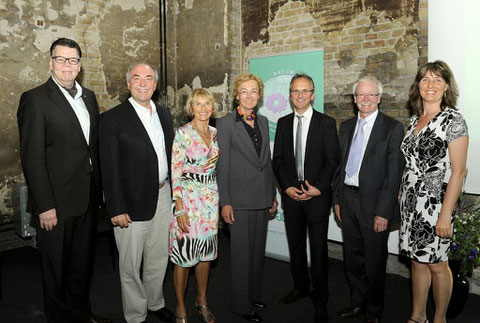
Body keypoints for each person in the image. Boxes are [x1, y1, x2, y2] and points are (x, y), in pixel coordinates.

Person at [17, 38, 111, 323]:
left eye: (72, 60)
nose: (67, 65)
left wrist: (101, 191)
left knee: (81, 265)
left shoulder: (89, 97)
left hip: (86, 198)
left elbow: (91, 148)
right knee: (56, 268)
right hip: (55, 203)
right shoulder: (35, 99)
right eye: (61, 59)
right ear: (50, 62)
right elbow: (32, 158)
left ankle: (82, 314)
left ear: (80, 65)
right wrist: (44, 205)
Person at [99, 63, 175, 323]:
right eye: (137, 78)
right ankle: (135, 315)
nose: (143, 83)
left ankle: (155, 302)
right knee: (130, 264)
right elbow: (108, 169)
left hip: (163, 194)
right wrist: (116, 208)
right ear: (128, 84)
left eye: (148, 78)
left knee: (158, 256)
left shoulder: (164, 114)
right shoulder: (111, 119)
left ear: (155, 85)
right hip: (129, 203)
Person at [400, 60, 468, 323]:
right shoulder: (414, 120)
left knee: (438, 265)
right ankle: (418, 316)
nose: (431, 85)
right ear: (418, 84)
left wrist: (445, 215)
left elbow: (458, 171)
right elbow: (410, 163)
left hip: (436, 203)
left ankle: (439, 319)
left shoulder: (454, 120)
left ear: (446, 86)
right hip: (410, 203)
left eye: (437, 80)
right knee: (417, 262)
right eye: (426, 79)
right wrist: (401, 194)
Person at [333, 76, 405, 323]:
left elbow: (394, 175)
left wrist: (384, 212)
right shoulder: (345, 127)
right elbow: (339, 168)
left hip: (375, 206)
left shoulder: (393, 128)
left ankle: (374, 310)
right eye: (360, 95)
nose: (365, 99)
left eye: (371, 94)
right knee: (352, 257)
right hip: (348, 199)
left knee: (374, 261)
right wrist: (337, 201)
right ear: (354, 99)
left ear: (379, 98)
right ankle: (357, 303)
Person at [272, 73, 339, 323]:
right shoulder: (282, 123)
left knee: (319, 250)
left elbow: (333, 160)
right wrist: (287, 187)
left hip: (317, 197)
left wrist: (318, 188)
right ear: (290, 95)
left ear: (312, 94)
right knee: (296, 246)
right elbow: (277, 160)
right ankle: (301, 287)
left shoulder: (326, 123)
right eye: (294, 91)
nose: (299, 95)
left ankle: (321, 299)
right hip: (291, 196)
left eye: (304, 91)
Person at [216, 72, 277, 323]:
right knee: (241, 255)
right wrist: (226, 202)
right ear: (236, 95)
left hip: (262, 196)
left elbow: (267, 161)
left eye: (254, 91)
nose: (249, 95)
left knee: (257, 253)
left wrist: (272, 193)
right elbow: (223, 165)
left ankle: (253, 295)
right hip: (238, 200)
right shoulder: (225, 123)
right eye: (244, 91)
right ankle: (241, 305)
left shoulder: (262, 121)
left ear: (259, 95)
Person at [169, 88, 220, 323]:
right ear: (191, 108)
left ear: (213, 107)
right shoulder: (183, 134)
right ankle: (180, 307)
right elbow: (176, 172)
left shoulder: (215, 132)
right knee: (184, 255)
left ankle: (202, 300)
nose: (203, 108)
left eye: (207, 104)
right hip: (187, 199)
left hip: (210, 199)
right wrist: (179, 207)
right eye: (198, 104)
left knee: (206, 254)